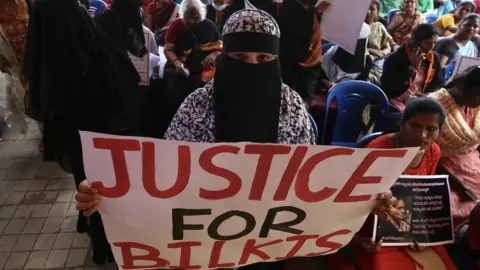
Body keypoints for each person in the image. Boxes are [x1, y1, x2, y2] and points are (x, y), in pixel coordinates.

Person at [76, 10, 398, 270]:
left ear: (276, 61)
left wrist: (366, 201)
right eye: (240, 57)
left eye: (263, 59)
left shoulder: (292, 107)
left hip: (267, 245)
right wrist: (108, 195)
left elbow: (311, 181)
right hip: (205, 248)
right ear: (224, 57)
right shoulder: (196, 107)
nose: (251, 67)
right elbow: (162, 180)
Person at [329, 97, 457, 270]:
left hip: (408, 223)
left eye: (431, 129)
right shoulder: (378, 152)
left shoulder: (433, 151)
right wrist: (359, 240)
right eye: (415, 126)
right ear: (402, 123)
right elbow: (350, 202)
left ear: (439, 131)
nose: (422, 135)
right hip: (371, 228)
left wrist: (421, 234)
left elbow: (422, 195)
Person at [428, 66, 480, 232]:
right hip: (441, 166)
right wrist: (457, 182)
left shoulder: (475, 106)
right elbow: (426, 152)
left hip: (471, 161)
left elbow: (473, 143)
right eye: (478, 94)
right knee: (447, 207)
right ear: (463, 85)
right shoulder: (435, 105)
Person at [162, 0, 222, 138]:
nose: (192, 21)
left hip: (203, 73)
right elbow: (168, 49)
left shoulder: (210, 27)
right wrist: (176, 62)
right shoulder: (176, 25)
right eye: (188, 17)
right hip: (180, 71)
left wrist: (213, 55)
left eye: (195, 18)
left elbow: (220, 50)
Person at [273, 0, 330, 108]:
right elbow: (294, 49)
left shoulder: (311, 12)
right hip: (281, 82)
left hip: (304, 84)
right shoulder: (279, 8)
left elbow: (312, 58)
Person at [382, 24, 442, 111]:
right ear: (417, 42)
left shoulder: (433, 58)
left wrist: (428, 95)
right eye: (428, 43)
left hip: (419, 99)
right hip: (396, 99)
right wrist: (412, 68)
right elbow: (388, 87)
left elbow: (438, 82)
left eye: (434, 43)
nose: (432, 47)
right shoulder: (397, 58)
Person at [366, 0, 399, 85]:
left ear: (377, 12)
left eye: (372, 9)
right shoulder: (356, 26)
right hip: (361, 60)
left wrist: (383, 52)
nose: (368, 12)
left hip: (377, 61)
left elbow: (387, 47)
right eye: (366, 8)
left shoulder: (379, 26)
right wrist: (371, 51)